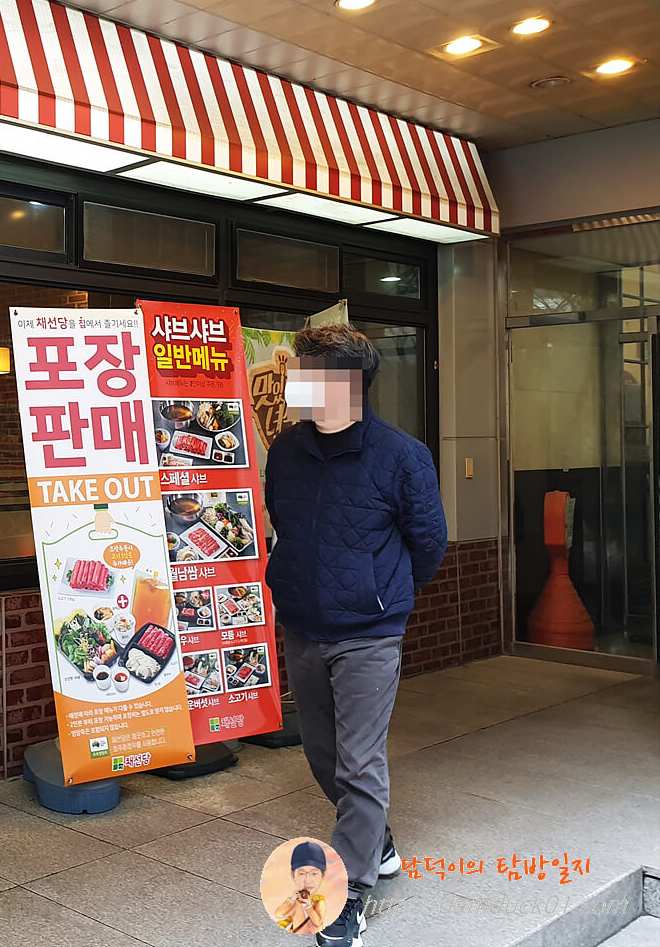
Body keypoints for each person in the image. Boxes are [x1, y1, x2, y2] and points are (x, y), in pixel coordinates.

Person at [263, 324, 447, 947]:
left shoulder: (401, 456)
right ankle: (378, 840)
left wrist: (380, 596)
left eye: (306, 375)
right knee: (322, 754)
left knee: (359, 761)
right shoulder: (287, 449)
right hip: (303, 625)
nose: (295, 386)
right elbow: (284, 520)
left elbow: (429, 543)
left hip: (369, 633)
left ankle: (350, 895)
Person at [273, 840, 330, 935]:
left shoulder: (319, 902)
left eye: (314, 873)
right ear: (293, 876)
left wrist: (309, 906)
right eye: (301, 873)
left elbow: (317, 922)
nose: (307, 880)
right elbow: (279, 914)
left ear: (322, 876)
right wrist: (291, 901)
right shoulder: (295, 902)